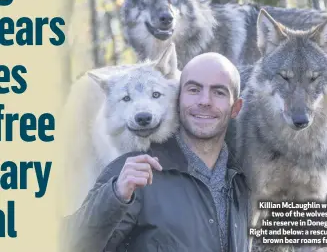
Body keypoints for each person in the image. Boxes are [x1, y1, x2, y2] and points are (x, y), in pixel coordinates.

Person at [61, 53, 250, 252]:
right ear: (179, 99)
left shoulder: (241, 180)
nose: (205, 101)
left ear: (236, 108)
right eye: (194, 90)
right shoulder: (131, 171)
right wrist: (115, 195)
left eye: (219, 92)